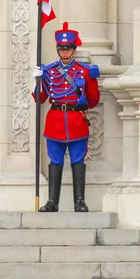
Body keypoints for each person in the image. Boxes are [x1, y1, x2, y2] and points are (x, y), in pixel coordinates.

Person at [32, 22, 100, 212]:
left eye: (68, 48)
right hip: (55, 121)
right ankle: (52, 202)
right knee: (56, 161)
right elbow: (40, 98)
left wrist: (81, 103)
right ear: (58, 49)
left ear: (74, 49)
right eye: (61, 49)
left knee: (78, 160)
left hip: (76, 120)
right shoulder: (49, 72)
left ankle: (79, 201)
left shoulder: (85, 72)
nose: (64, 52)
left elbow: (94, 99)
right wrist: (36, 81)